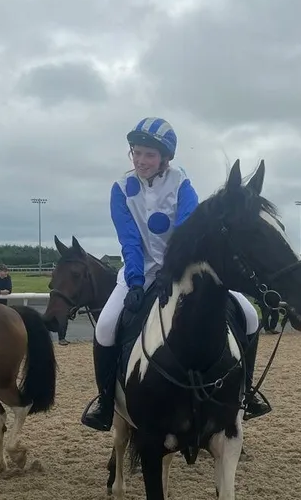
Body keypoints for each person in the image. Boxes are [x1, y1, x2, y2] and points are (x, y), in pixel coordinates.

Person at [80, 117, 269, 432]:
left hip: (184, 267)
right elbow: (128, 240)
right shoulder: (119, 189)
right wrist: (138, 282)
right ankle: (105, 403)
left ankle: (246, 393)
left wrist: (173, 270)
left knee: (248, 316)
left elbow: (186, 232)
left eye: (149, 155)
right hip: (138, 271)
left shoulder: (181, 182)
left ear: (164, 158)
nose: (141, 161)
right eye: (136, 153)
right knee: (106, 328)